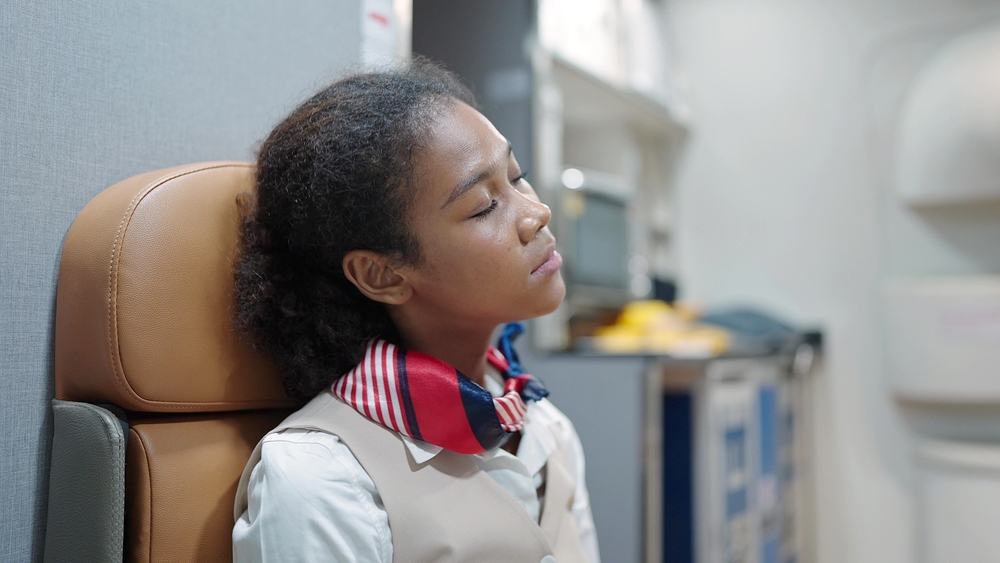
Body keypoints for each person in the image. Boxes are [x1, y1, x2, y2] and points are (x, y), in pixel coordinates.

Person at [231, 60, 600, 563]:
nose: (537, 214)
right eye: (484, 206)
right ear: (383, 275)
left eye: (518, 178)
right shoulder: (320, 477)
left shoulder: (548, 429)